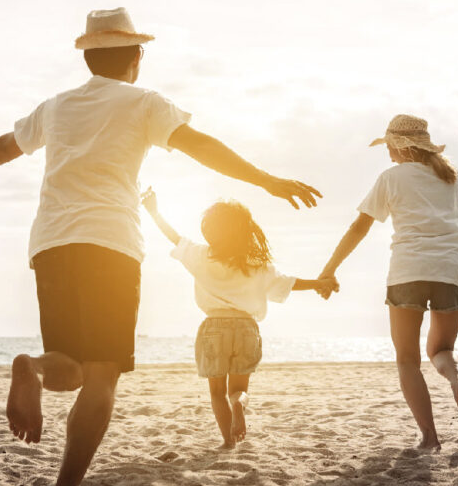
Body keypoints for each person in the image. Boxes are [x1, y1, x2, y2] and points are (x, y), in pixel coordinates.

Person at [0, 8, 321, 486]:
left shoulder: (57, 106)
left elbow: (7, 145)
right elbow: (202, 148)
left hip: (51, 243)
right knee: (102, 374)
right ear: (135, 58)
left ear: (89, 57)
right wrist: (267, 180)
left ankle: (34, 369)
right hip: (110, 245)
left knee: (67, 368)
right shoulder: (145, 103)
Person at [317, 114, 458, 451]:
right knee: (441, 350)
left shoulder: (391, 178)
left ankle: (429, 437)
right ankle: (456, 380)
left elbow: (359, 227)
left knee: (407, 360)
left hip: (407, 272)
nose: (388, 154)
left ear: (399, 146)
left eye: (389, 147)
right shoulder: (452, 176)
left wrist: (330, 268)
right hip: (452, 272)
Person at [141, 189, 338, 449]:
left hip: (213, 328)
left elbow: (174, 237)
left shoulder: (200, 256)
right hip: (246, 328)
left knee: (216, 392)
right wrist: (318, 283)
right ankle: (239, 404)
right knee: (238, 389)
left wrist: (154, 211)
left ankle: (228, 441)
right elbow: (288, 282)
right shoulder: (256, 264)